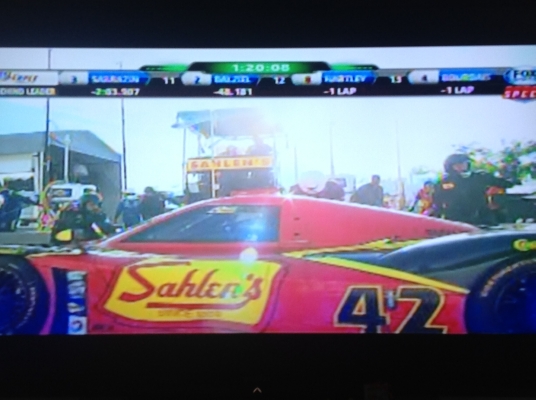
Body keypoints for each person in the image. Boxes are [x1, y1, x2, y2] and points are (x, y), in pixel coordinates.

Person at [432, 153, 516, 225]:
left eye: (463, 163)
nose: (461, 166)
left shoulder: (480, 177)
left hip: (481, 216)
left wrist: (510, 174)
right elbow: (437, 202)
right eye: (457, 165)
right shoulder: (444, 182)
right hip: (456, 219)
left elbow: (506, 183)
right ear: (450, 167)